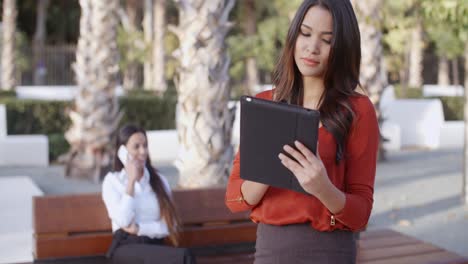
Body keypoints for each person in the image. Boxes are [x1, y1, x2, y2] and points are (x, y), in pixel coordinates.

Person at [225, 0, 379, 263]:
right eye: (305, 34)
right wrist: (269, 169)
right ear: (294, 36)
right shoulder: (265, 105)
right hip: (272, 251)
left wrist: (322, 187)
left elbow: (361, 214)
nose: (312, 47)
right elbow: (234, 199)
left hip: (331, 251)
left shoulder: (358, 110)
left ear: (342, 47)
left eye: (327, 40)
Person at [102, 124, 195, 264]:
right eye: (136, 146)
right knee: (183, 257)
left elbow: (170, 225)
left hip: (155, 246)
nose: (143, 151)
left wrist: (140, 228)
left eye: (145, 145)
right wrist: (131, 182)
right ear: (122, 151)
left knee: (177, 257)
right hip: (126, 248)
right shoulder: (113, 181)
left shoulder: (159, 181)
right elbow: (123, 221)